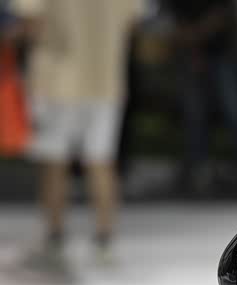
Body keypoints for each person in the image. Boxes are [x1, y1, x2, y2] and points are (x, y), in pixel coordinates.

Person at [9, 0, 144, 262]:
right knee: (101, 161)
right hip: (105, 79)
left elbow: (31, 21)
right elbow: (132, 22)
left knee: (54, 162)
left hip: (55, 80)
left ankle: (55, 236)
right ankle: (104, 239)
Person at [163, 0, 237, 193]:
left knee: (234, 111)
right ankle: (198, 167)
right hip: (189, 53)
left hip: (221, 51)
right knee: (194, 114)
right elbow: (174, 13)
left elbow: (224, 13)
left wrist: (196, 35)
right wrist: (190, 42)